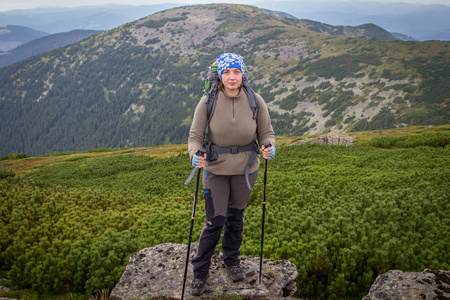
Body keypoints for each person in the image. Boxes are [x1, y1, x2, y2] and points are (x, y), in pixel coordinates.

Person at [187, 53, 275, 296]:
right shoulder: (207, 102)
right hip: (215, 169)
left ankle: (232, 260)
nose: (232, 77)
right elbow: (195, 136)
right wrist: (195, 153)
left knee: (236, 217)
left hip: (247, 169)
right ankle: (200, 271)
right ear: (220, 76)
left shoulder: (255, 100)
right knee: (215, 220)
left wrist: (268, 145)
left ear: (243, 74)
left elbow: (266, 131)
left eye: (236, 72)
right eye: (227, 72)